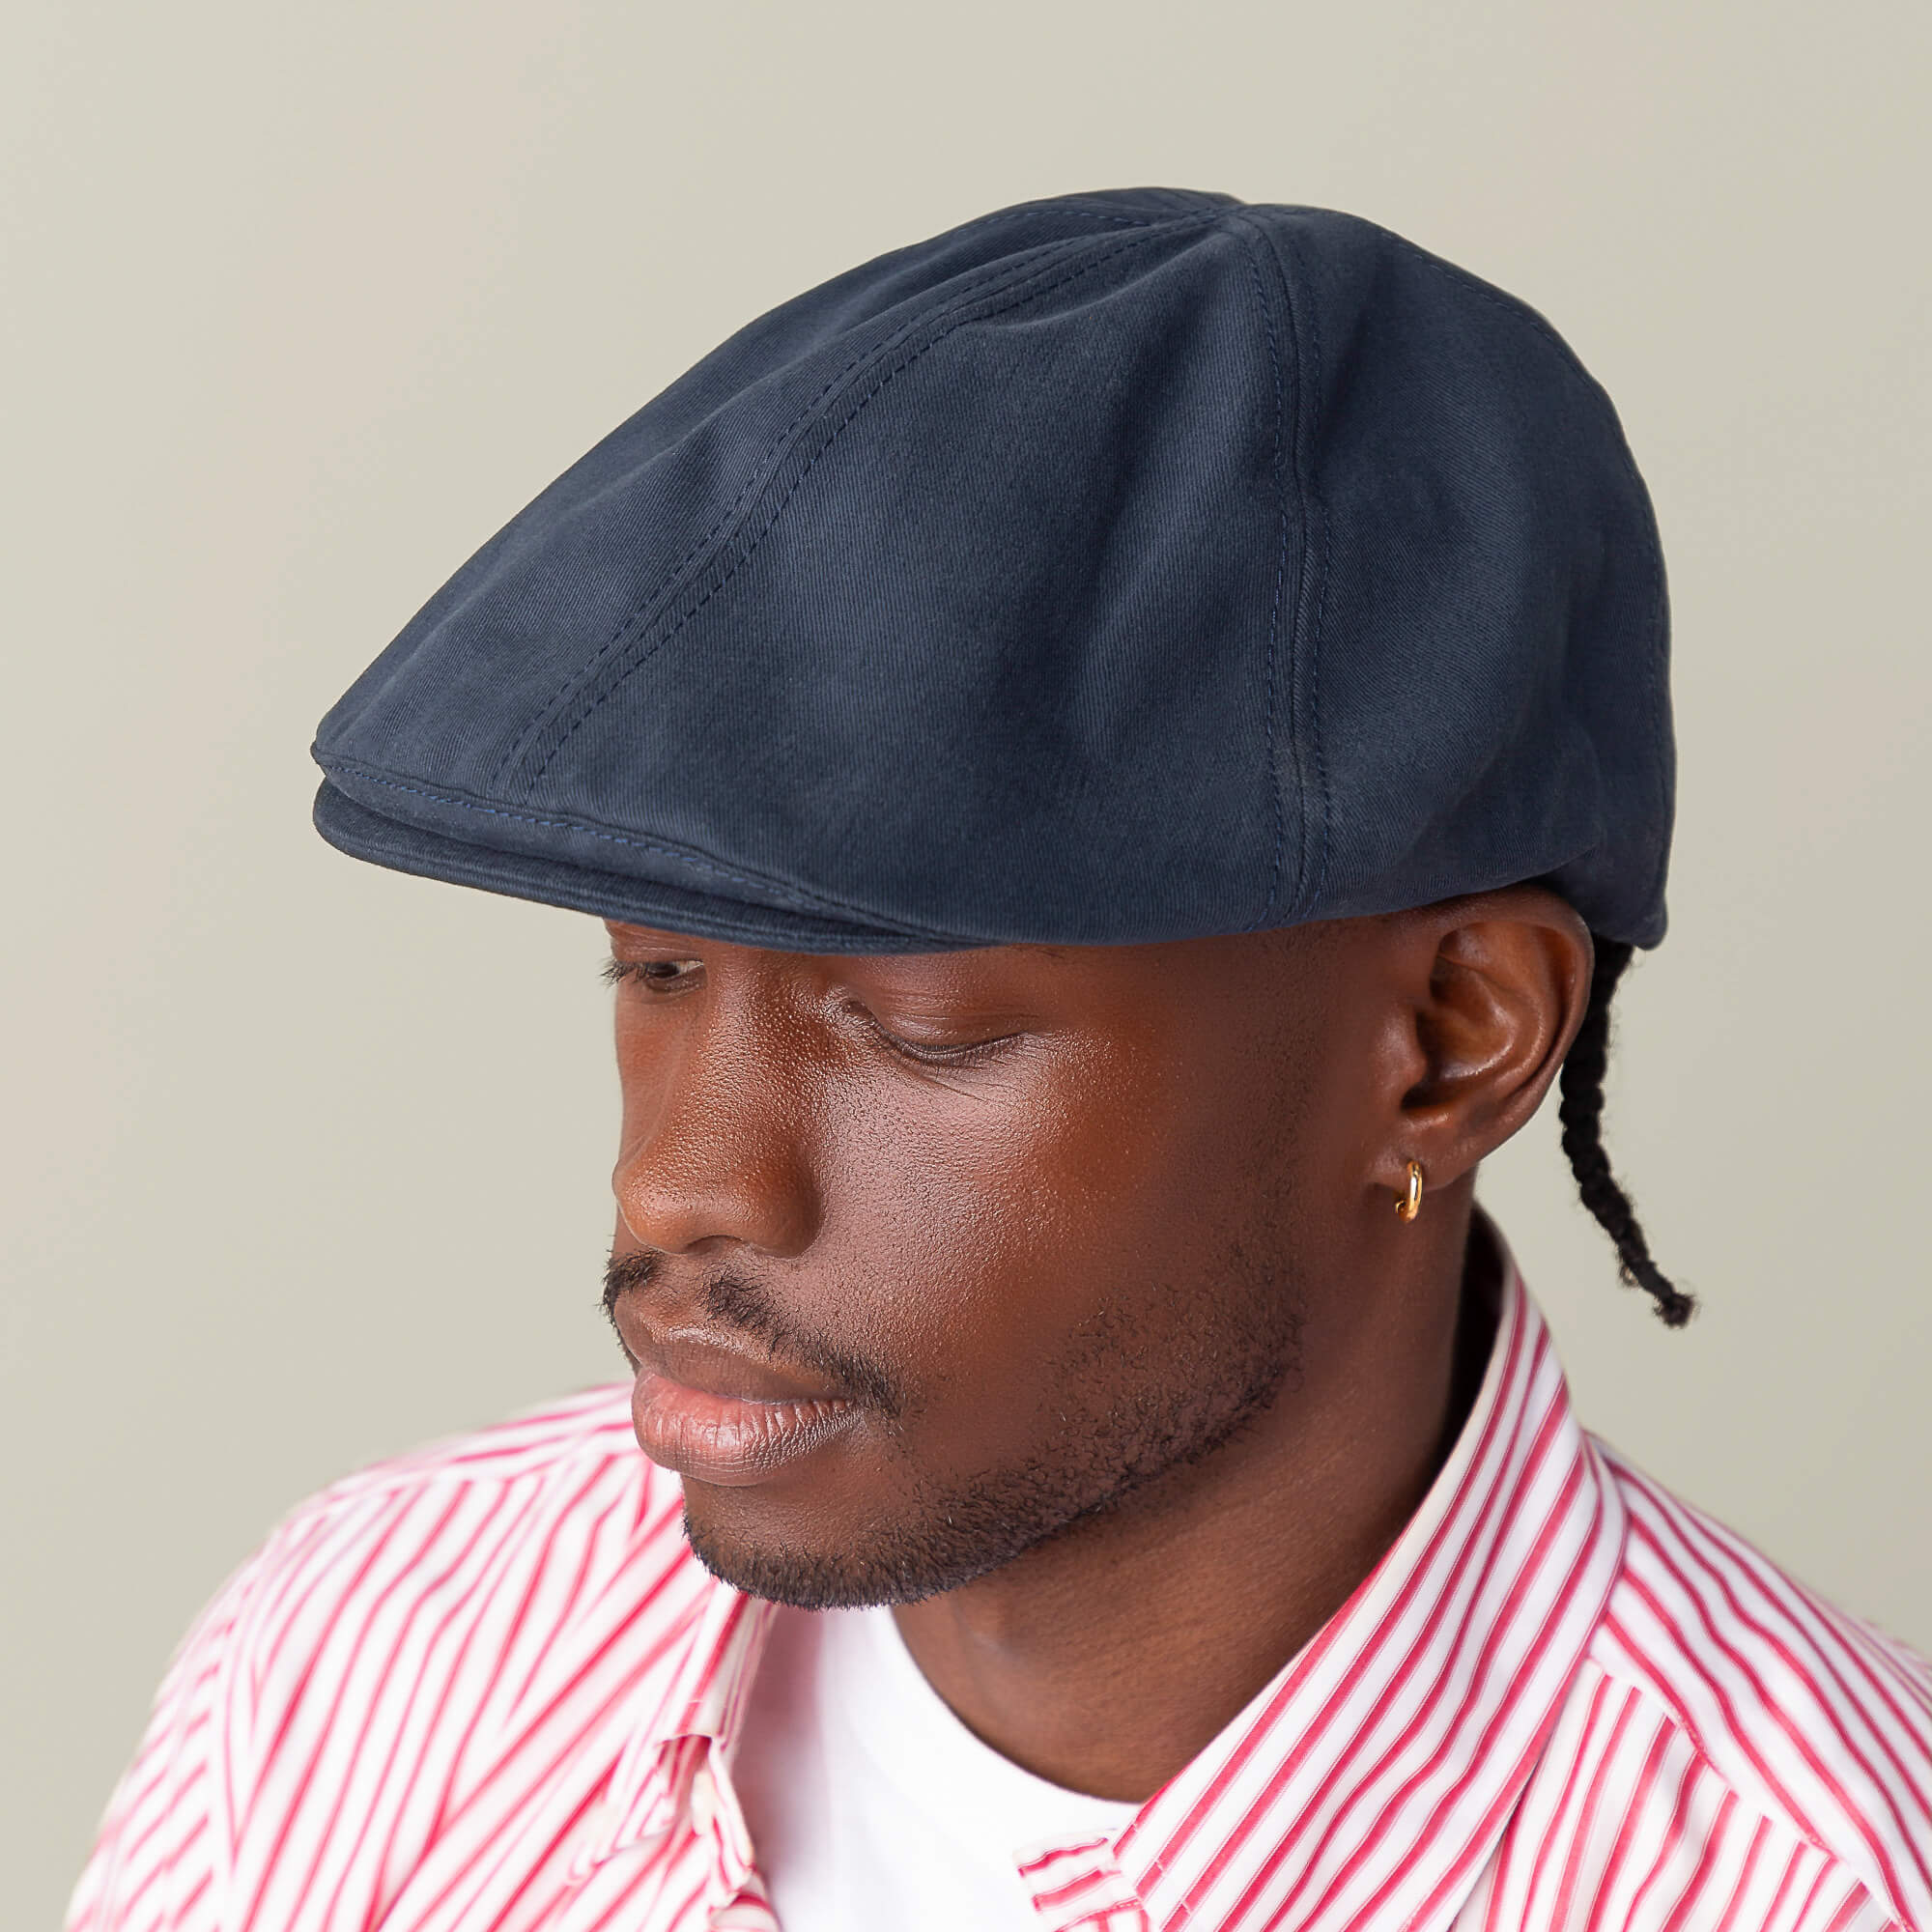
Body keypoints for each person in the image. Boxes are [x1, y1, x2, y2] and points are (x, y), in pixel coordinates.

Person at [70, 188, 1930, 1932]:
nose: (681, 1184)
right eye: (655, 971)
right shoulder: (371, 1641)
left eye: (915, 1024)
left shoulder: (1815, 1881)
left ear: (1451, 1044)